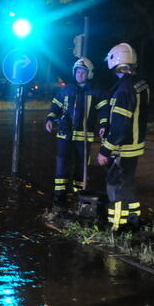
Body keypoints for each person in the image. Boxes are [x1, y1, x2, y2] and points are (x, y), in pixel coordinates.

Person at [96, 43, 150, 231]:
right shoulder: (140, 84)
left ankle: (117, 227)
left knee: (115, 187)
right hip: (134, 146)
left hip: (123, 148)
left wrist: (105, 151)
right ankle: (133, 220)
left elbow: (120, 126)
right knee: (128, 184)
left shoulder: (124, 89)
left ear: (115, 61)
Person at [45, 57, 108, 211]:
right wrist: (50, 119)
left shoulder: (96, 92)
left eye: (83, 72)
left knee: (81, 166)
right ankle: (60, 196)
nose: (80, 74)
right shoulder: (66, 90)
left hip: (83, 136)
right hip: (64, 134)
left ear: (89, 74)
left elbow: (104, 110)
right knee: (62, 164)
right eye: (78, 71)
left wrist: (103, 124)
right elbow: (55, 106)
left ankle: (78, 194)